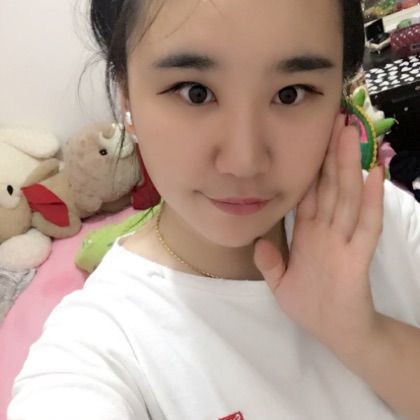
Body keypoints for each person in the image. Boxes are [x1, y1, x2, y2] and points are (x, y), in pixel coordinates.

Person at [7, 0, 420, 419]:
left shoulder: (384, 221)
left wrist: (365, 336)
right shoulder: (102, 343)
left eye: (290, 94)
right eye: (195, 92)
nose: (244, 162)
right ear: (126, 95)